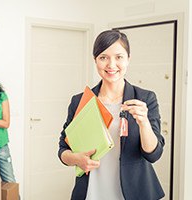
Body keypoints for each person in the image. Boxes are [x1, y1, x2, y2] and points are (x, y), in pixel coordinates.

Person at [58, 30, 165, 200]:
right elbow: (63, 149)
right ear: (95, 60)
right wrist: (76, 159)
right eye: (103, 57)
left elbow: (153, 154)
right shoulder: (81, 101)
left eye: (119, 57)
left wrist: (144, 123)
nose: (111, 65)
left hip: (134, 193)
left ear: (128, 59)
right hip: (92, 192)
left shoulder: (145, 98)